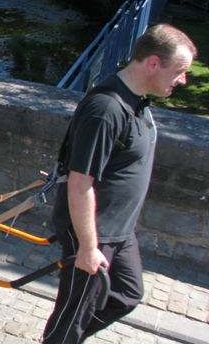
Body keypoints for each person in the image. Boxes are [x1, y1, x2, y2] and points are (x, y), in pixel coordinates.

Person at [43, 24, 197, 343]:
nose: (183, 80)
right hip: (95, 233)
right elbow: (79, 182)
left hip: (119, 229)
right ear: (153, 63)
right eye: (180, 71)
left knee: (126, 293)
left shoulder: (137, 100)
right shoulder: (107, 109)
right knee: (74, 312)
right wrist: (88, 247)